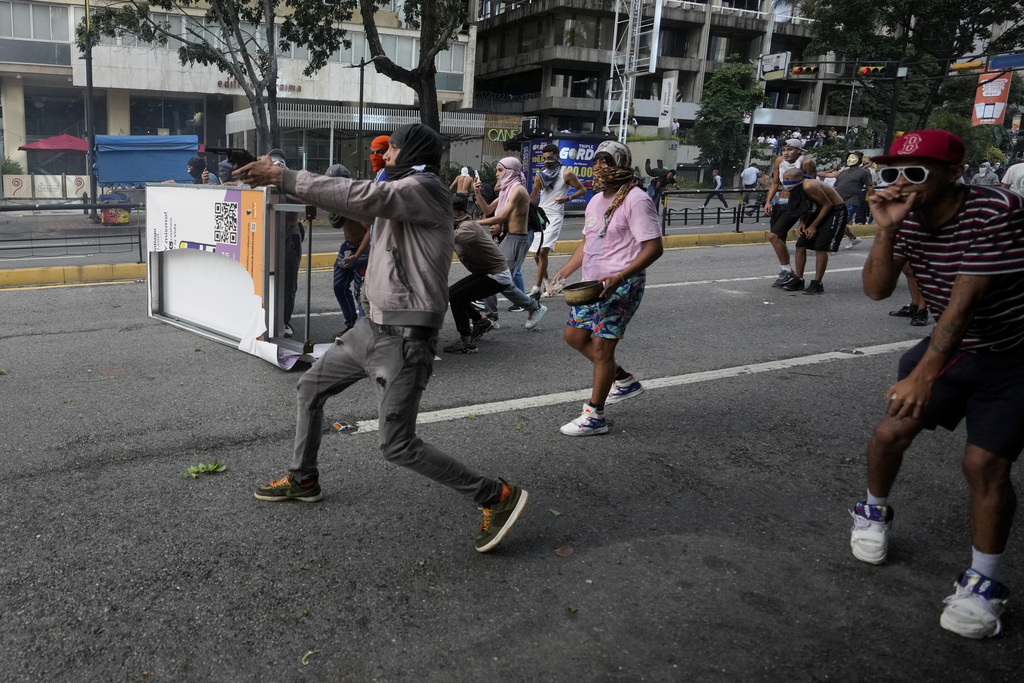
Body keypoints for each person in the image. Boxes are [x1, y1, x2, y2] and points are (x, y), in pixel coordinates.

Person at [236, 123, 529, 553]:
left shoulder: (424, 188)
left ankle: (496, 497)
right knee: (309, 388)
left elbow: (367, 197)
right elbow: (361, 206)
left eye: (392, 149)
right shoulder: (398, 188)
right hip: (370, 327)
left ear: (412, 152)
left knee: (398, 445)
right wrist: (308, 197)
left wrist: (286, 177)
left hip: (406, 338)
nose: (384, 156)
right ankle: (304, 478)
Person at [849, 129, 1024, 638]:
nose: (902, 182)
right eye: (894, 172)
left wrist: (924, 375)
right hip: (955, 351)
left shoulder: (995, 210)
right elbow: (878, 291)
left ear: (954, 174)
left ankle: (984, 586)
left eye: (918, 173)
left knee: (985, 463)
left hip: (1013, 354)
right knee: (889, 434)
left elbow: (964, 303)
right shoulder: (906, 219)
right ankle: (871, 512)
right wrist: (885, 230)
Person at [549, 140, 664, 436]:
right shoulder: (596, 200)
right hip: (591, 285)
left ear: (621, 166)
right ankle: (623, 380)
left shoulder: (637, 200)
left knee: (601, 347)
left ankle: (595, 416)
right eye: (597, 161)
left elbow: (654, 248)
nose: (599, 167)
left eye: (607, 161)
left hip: (621, 286)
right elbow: (588, 242)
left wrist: (622, 277)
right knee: (574, 336)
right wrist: (564, 270)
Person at [473, 157, 548, 332]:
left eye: (500, 170)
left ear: (510, 171)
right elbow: (488, 211)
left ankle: (534, 307)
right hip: (508, 238)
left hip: (517, 240)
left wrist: (474, 224)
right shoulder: (506, 191)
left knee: (499, 281)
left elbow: (499, 217)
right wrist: (477, 193)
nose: (496, 174)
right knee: (492, 276)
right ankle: (491, 318)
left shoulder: (517, 190)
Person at [444, 196, 513, 354]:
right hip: (487, 272)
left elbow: (447, 239)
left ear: (461, 214)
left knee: (457, 297)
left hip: (496, 275)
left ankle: (467, 342)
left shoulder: (467, 226)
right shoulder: (458, 225)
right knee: (452, 293)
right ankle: (479, 321)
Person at [528, 144, 586, 298]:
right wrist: (529, 206)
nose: (548, 161)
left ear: (558, 157)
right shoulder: (541, 174)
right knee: (535, 255)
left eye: (551, 158)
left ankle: (536, 289)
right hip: (541, 215)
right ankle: (547, 282)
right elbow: (534, 195)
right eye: (545, 158)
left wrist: (568, 198)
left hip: (555, 216)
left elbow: (583, 190)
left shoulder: (566, 173)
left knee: (542, 251)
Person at [778, 168, 845, 294]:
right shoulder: (796, 188)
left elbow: (828, 205)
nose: (785, 181)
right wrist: (803, 222)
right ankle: (799, 279)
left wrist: (813, 226)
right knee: (800, 244)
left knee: (821, 247)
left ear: (798, 178)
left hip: (835, 211)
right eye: (784, 178)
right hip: (820, 211)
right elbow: (805, 205)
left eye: (788, 179)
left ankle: (817, 283)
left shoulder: (809, 186)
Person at [763, 138, 817, 288]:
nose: (786, 153)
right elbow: (775, 183)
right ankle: (786, 271)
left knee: (773, 236)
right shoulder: (779, 161)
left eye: (790, 149)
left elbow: (812, 188)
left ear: (798, 151)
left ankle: (787, 270)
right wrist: (769, 201)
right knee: (780, 239)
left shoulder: (806, 163)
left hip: (795, 204)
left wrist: (804, 218)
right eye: (784, 149)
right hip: (780, 202)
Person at [324, 164, 370, 336]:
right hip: (347, 247)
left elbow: (370, 232)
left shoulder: (356, 203)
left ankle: (363, 334)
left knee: (361, 293)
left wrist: (357, 256)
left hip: (362, 251)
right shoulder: (339, 203)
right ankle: (351, 325)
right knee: (339, 286)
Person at [818, 151, 872, 248]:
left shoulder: (864, 172)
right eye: (849, 157)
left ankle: (831, 245)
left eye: (853, 157)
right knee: (839, 223)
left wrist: (876, 201)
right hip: (837, 201)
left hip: (851, 202)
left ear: (859, 160)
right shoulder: (843, 172)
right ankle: (853, 238)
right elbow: (834, 187)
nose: (850, 159)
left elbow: (870, 188)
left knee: (840, 223)